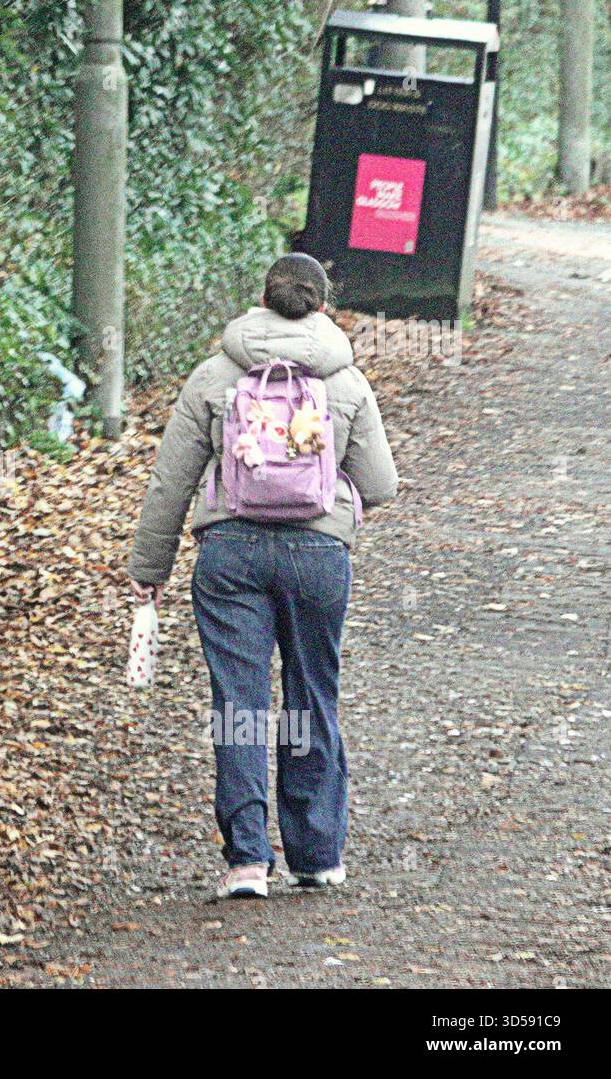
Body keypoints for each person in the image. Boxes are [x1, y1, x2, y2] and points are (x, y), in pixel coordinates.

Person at [126, 253, 398, 899]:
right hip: (317, 557)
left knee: (240, 704)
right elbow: (381, 484)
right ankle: (316, 854)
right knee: (311, 694)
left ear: (262, 299)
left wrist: (148, 569)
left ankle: (248, 860)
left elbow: (172, 481)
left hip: (231, 556)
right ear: (323, 306)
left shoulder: (216, 373)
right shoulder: (346, 380)